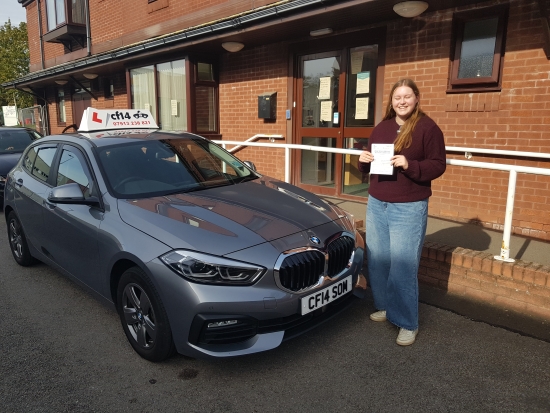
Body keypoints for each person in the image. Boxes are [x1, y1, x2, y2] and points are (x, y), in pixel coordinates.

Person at [358, 78, 446, 346]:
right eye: (398, 97)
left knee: (403, 267)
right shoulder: (382, 128)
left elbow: (438, 165)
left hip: (408, 207)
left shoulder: (428, 128)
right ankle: (385, 307)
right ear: (392, 101)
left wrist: (411, 164)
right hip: (377, 202)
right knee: (379, 261)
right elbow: (370, 165)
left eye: (407, 96)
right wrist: (362, 162)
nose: (402, 101)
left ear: (417, 98)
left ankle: (407, 322)